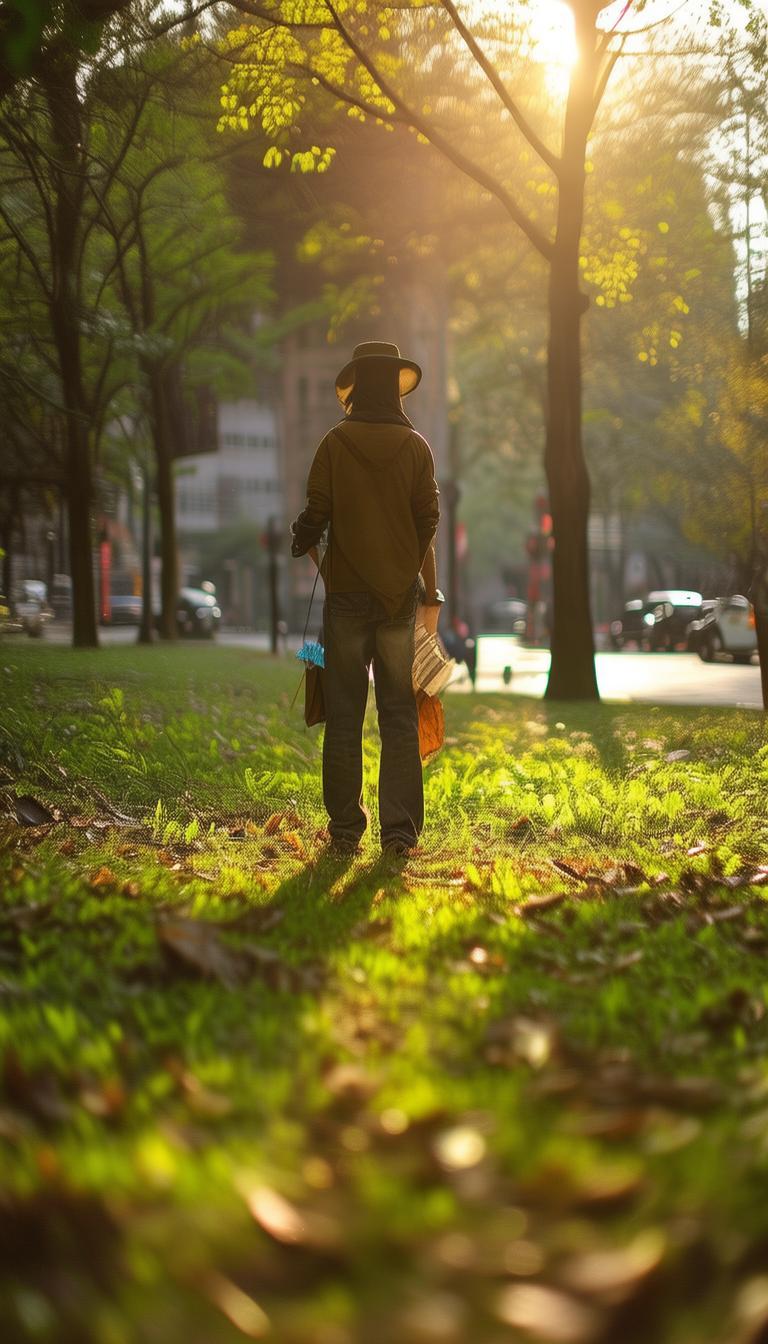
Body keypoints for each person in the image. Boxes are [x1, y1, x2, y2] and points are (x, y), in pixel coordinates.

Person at [290, 340, 441, 857]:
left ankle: (345, 833)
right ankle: (399, 834)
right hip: (399, 604)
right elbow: (428, 524)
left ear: (359, 386)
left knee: (345, 713)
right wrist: (422, 587)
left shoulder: (334, 443)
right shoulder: (417, 448)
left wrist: (329, 570)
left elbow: (313, 521)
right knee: (398, 714)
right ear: (393, 388)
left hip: (346, 601)